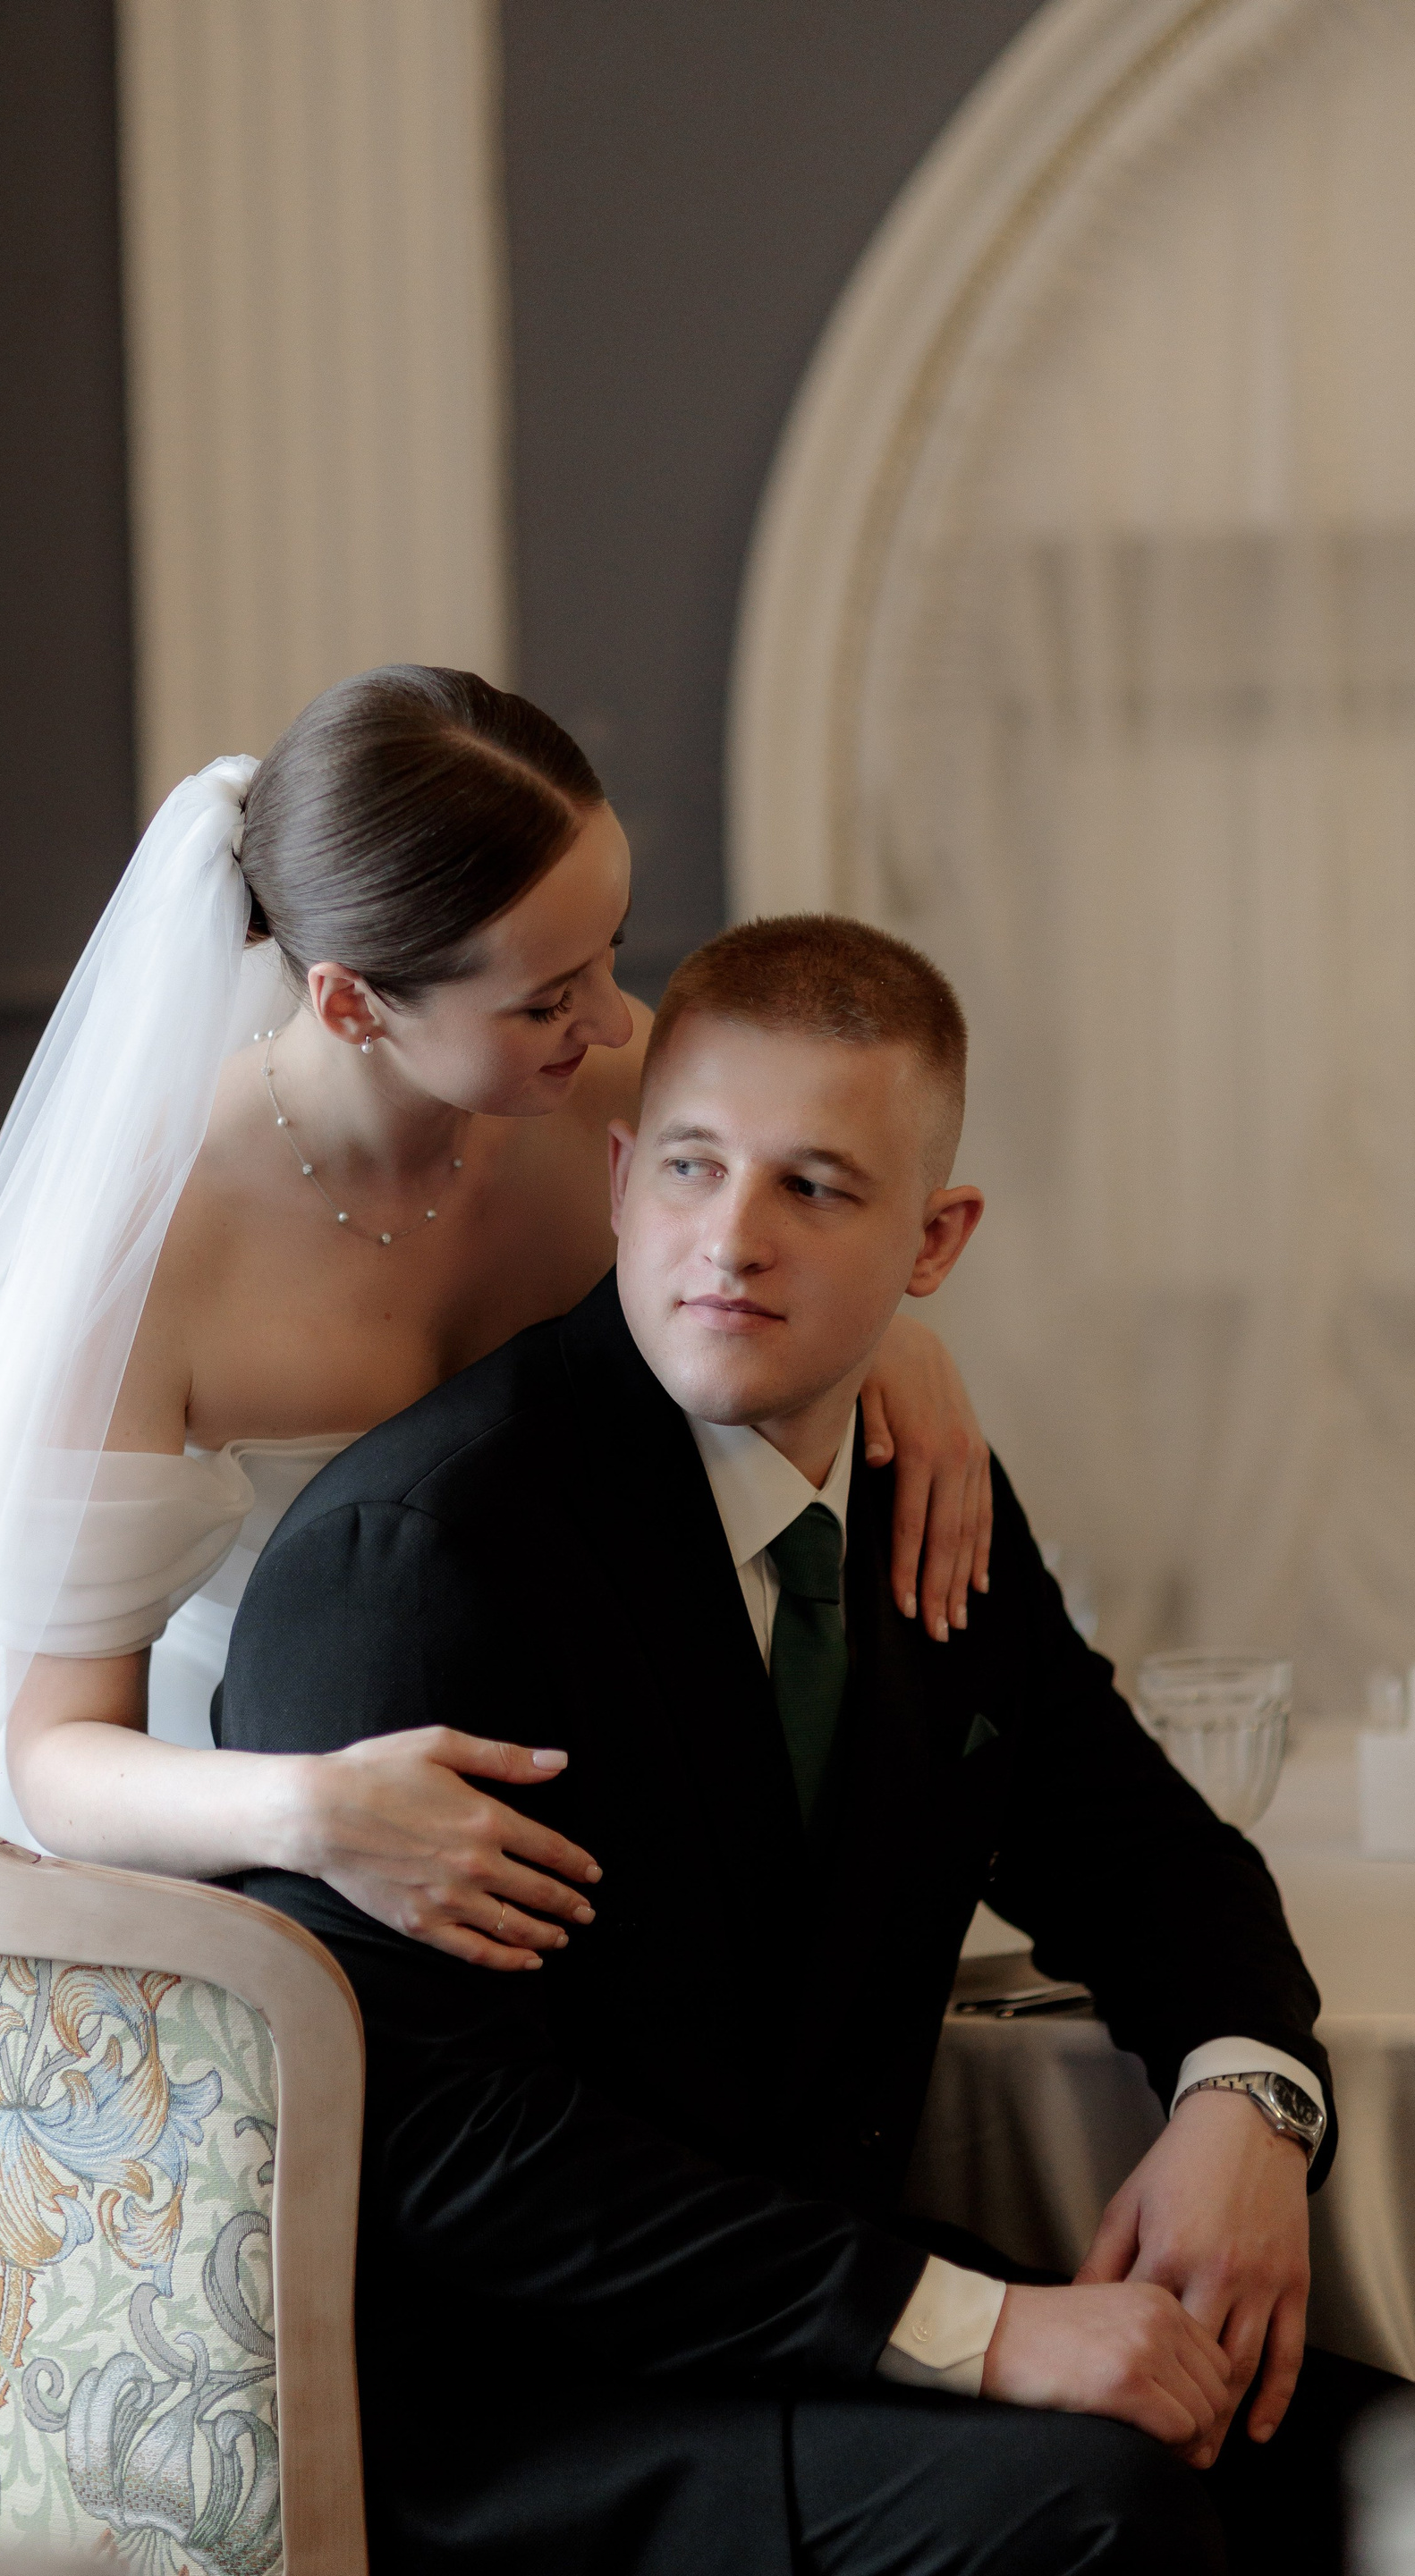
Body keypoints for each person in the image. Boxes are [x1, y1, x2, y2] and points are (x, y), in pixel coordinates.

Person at [218, 912, 1389, 2576]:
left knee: (1372, 2456)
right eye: (691, 1167)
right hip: (514, 2407)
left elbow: (1146, 1853)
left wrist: (1246, 2100)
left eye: (817, 1187)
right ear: (618, 1180)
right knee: (1101, 2508)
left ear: (936, 1239)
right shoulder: (424, 1552)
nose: (732, 1239)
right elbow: (457, 2154)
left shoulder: (922, 1501)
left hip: (805, 2323)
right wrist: (989, 2329)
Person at [0, 669, 989, 2175]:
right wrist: (313, 1811)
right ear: (352, 1002)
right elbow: (58, 1753)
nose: (612, 1017)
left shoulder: (606, 1093)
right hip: (238, 1843)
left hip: (588, 1820)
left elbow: (792, 1224)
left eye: (609, 951)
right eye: (546, 995)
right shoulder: (151, 1251)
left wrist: (892, 1345)